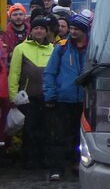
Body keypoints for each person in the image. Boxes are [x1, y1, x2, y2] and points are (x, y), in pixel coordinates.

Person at [44, 12, 91, 177]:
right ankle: (57, 168)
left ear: (84, 31)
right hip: (64, 99)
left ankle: (79, 165)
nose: (73, 31)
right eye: (71, 28)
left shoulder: (93, 48)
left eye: (76, 29)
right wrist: (50, 95)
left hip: (85, 100)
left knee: (82, 137)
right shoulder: (62, 47)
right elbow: (50, 72)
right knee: (60, 135)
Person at [9, 16, 55, 177]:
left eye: (42, 28)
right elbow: (14, 74)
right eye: (36, 28)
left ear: (46, 31)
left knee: (45, 129)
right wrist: (12, 96)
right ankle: (29, 160)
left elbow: (55, 74)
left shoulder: (53, 49)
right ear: (31, 30)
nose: (39, 31)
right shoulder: (20, 49)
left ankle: (44, 159)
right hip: (26, 97)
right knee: (29, 130)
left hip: (46, 97)